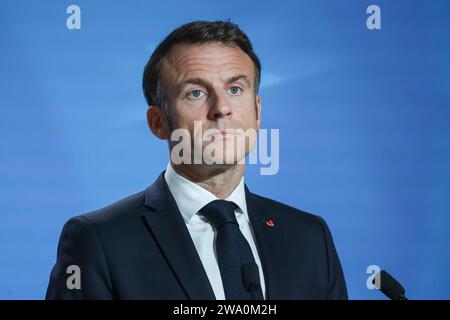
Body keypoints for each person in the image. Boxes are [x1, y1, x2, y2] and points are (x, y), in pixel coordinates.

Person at [46, 20, 348, 300]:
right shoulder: (99, 240)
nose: (221, 109)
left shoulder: (309, 238)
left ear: (257, 111)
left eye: (234, 89)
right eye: (195, 93)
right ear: (158, 122)